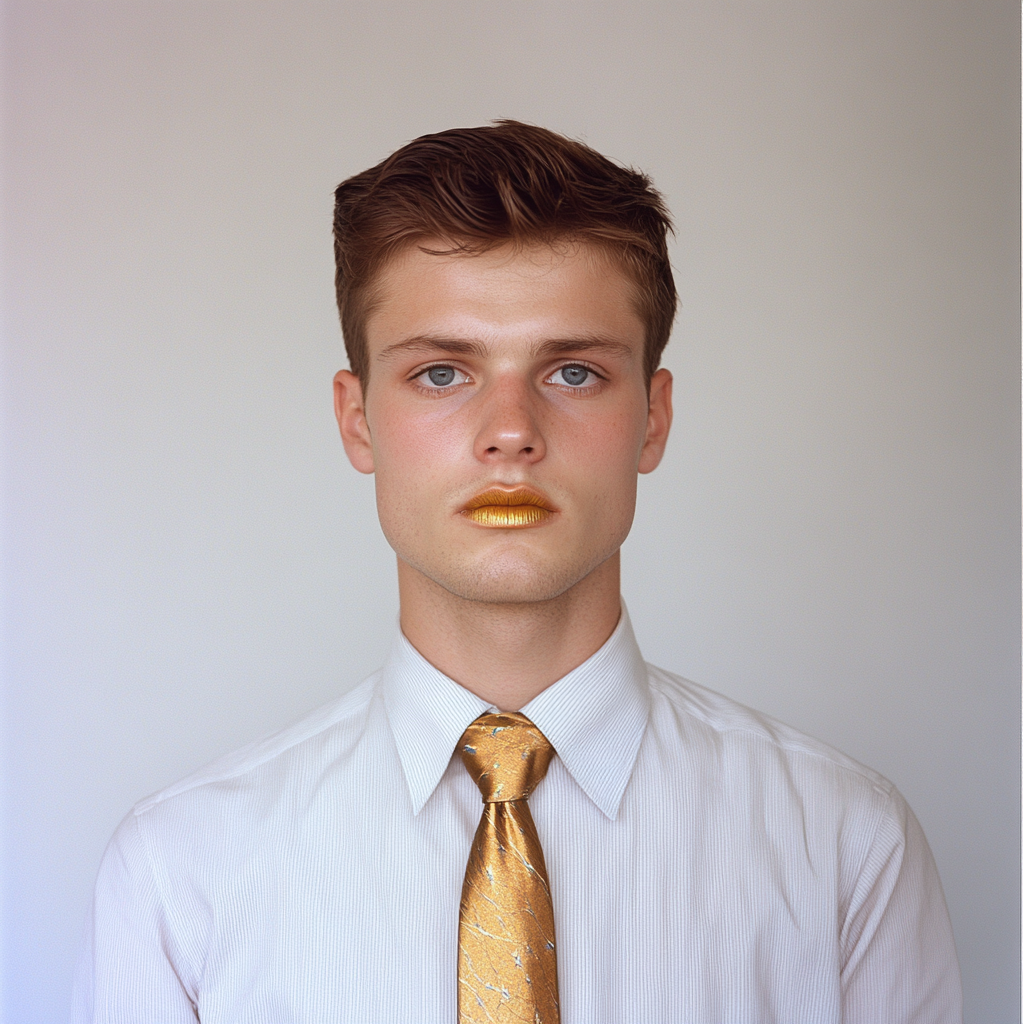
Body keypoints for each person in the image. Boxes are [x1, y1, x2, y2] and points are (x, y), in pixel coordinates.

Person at [71, 121, 961, 1024]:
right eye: (442, 372)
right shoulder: (179, 870)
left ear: (652, 421)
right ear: (357, 421)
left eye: (572, 372)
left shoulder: (847, 847)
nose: (511, 429)